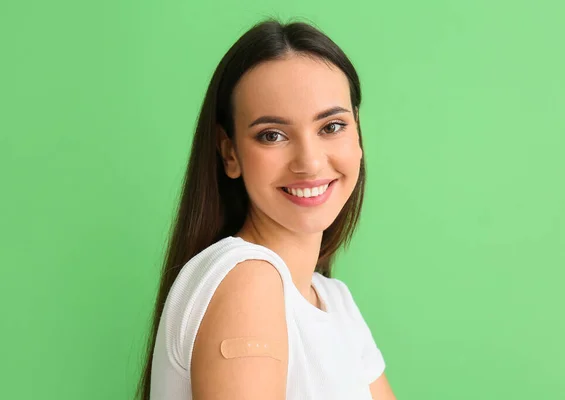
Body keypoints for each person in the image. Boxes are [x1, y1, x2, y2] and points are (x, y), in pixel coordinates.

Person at [136, 18, 396, 400]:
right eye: (272, 135)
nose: (308, 162)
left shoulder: (333, 302)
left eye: (331, 126)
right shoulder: (248, 279)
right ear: (230, 154)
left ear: (358, 133)